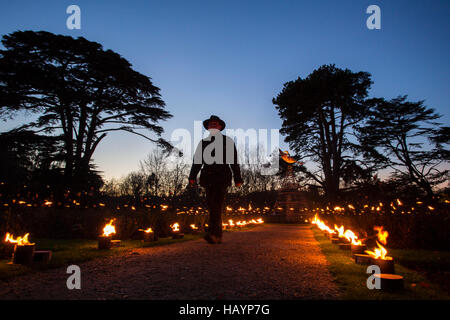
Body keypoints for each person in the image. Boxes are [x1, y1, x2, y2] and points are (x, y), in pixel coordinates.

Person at [188, 115, 243, 244]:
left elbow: (234, 161)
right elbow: (197, 161)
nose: (213, 126)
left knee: (215, 205)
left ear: (220, 127)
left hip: (222, 177)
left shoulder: (228, 141)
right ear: (207, 127)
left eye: (215, 124)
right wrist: (192, 176)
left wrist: (238, 178)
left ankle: (214, 234)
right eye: (211, 124)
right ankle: (216, 235)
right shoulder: (203, 143)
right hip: (208, 177)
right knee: (212, 205)